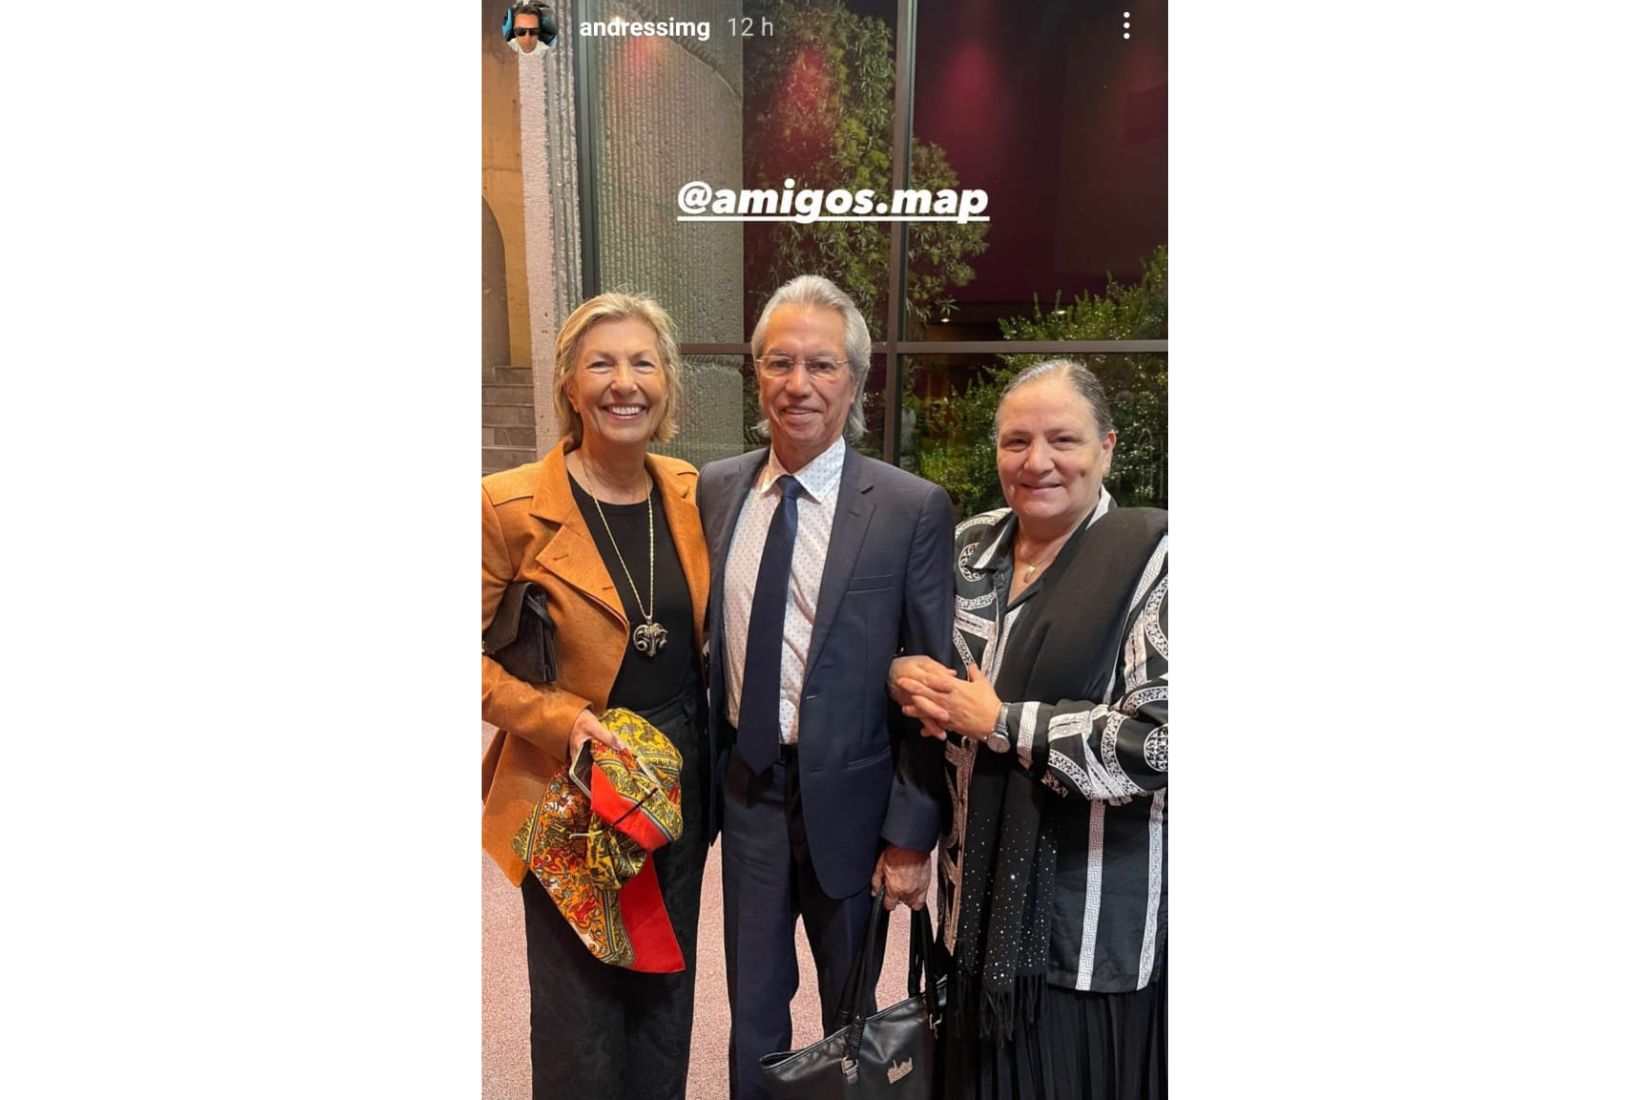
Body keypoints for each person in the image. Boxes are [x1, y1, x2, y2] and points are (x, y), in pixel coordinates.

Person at [697, 275, 955, 1100]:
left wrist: (912, 834)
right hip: (750, 792)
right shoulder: (718, 488)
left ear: (855, 381)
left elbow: (932, 681)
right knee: (753, 1012)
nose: (798, 384)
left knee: (854, 1018)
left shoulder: (910, 508)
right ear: (757, 374)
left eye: (821, 364)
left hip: (855, 804)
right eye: (779, 362)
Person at [893, 359, 1169, 1100]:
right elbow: (910, 654)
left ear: (1106, 447)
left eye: (1063, 440)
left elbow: (1159, 742)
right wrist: (902, 673)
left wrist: (1001, 722)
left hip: (1093, 922)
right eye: (1016, 441)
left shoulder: (1156, 562)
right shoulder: (966, 548)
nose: (1037, 461)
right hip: (975, 905)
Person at [481, 292, 711, 1100]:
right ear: (569, 386)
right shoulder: (507, 506)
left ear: (666, 383)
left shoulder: (688, 492)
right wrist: (560, 720)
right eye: (601, 363)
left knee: (664, 993)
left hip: (675, 775)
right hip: (569, 780)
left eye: (643, 362)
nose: (624, 382)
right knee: (578, 1011)